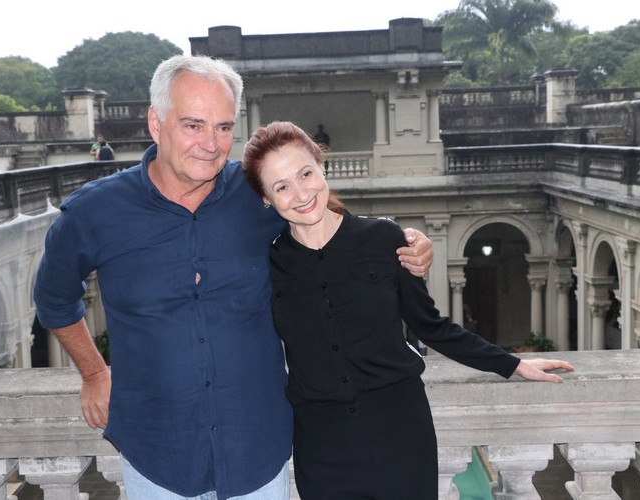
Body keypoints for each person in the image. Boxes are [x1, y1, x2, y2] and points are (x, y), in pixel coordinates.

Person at [33, 55, 434, 500]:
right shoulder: (94, 212)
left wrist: (404, 241)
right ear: (156, 122)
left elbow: (328, 227)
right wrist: (94, 373)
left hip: (256, 451)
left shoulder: (258, 192)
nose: (210, 144)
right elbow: (53, 298)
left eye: (223, 127)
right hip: (158, 454)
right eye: (193, 125)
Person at [241, 121, 575, 500]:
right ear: (266, 198)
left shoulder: (384, 239)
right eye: (282, 186)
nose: (301, 194)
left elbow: (430, 325)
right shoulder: (266, 264)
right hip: (321, 444)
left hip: (400, 431)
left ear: (322, 166)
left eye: (305, 174)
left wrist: (512, 364)